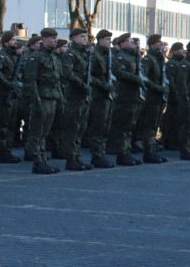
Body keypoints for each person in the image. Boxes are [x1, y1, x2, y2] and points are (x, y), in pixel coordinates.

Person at [24, 28, 62, 174]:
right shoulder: (36, 57)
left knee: (45, 132)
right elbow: (30, 81)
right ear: (44, 39)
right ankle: (37, 161)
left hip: (52, 97)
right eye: (52, 38)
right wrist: (36, 101)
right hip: (41, 97)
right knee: (37, 132)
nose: (55, 41)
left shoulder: (53, 57)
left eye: (56, 38)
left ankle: (42, 159)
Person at [106, 33, 144, 166]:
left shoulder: (133, 57)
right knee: (123, 128)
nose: (132, 43)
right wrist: (136, 79)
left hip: (133, 96)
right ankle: (122, 154)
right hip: (125, 96)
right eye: (128, 41)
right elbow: (119, 72)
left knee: (129, 127)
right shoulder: (121, 57)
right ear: (121, 44)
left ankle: (127, 152)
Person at [0, 31, 23, 163]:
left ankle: (7, 150)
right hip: (3, 94)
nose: (15, 41)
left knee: (11, 124)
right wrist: (8, 83)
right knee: (2, 124)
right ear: (6, 42)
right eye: (13, 39)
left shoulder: (13, 56)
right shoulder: (2, 56)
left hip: (13, 94)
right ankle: (2, 151)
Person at [59, 28, 93, 170]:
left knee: (80, 128)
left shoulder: (83, 54)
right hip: (73, 95)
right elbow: (68, 73)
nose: (85, 39)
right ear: (74, 38)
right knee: (72, 129)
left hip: (82, 96)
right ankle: (71, 158)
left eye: (86, 36)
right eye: (82, 36)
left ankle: (76, 156)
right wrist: (82, 85)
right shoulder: (71, 54)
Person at [133, 34, 169, 164]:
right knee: (149, 126)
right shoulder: (149, 59)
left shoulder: (159, 59)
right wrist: (156, 87)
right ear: (152, 44)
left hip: (158, 98)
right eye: (158, 42)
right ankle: (149, 152)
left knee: (154, 126)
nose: (161, 44)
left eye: (161, 42)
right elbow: (143, 76)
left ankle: (152, 150)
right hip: (151, 98)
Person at [85, 30, 116, 169]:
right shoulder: (95, 55)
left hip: (106, 96)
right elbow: (88, 75)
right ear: (100, 40)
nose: (110, 42)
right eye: (107, 39)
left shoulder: (106, 54)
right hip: (98, 96)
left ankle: (101, 153)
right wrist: (103, 85)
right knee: (98, 126)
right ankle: (97, 155)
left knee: (105, 126)